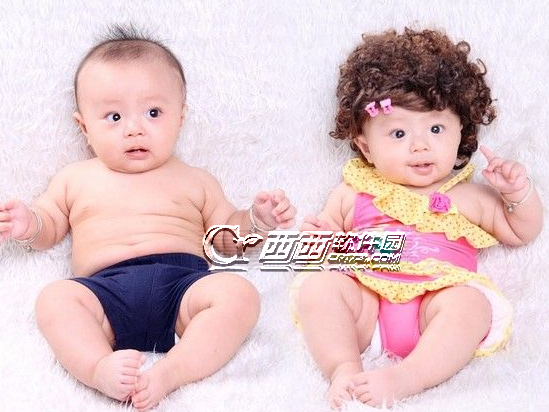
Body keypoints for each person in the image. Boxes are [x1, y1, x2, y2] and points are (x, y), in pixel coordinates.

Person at [0, 25, 295, 411]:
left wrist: (258, 221)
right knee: (54, 300)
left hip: (184, 289)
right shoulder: (76, 178)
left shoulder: (196, 180)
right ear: (84, 127)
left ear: (180, 117)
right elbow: (50, 224)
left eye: (153, 112)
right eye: (114, 116)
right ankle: (98, 367)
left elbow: (226, 239)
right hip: (104, 294)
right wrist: (29, 224)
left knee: (239, 295)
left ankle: (172, 371)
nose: (135, 129)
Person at [293, 27, 543, 408]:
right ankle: (344, 368)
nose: (420, 145)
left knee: (470, 305)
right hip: (369, 306)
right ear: (366, 147)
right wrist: (320, 240)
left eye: (436, 128)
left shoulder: (469, 195)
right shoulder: (355, 191)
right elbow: (325, 242)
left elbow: (521, 230)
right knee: (319, 289)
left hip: (434, 309)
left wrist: (517, 193)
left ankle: (409, 377)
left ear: (461, 131)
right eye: (398, 134)